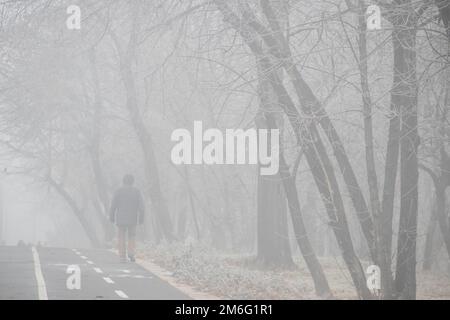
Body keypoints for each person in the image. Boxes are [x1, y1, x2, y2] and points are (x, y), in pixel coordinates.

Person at [110, 174, 145, 262]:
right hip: (132, 218)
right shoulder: (137, 192)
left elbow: (113, 205)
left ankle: (122, 256)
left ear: (123, 181)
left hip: (121, 218)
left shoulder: (118, 191)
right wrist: (141, 217)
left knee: (121, 236)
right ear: (132, 182)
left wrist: (111, 216)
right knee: (132, 236)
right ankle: (131, 253)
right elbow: (141, 206)